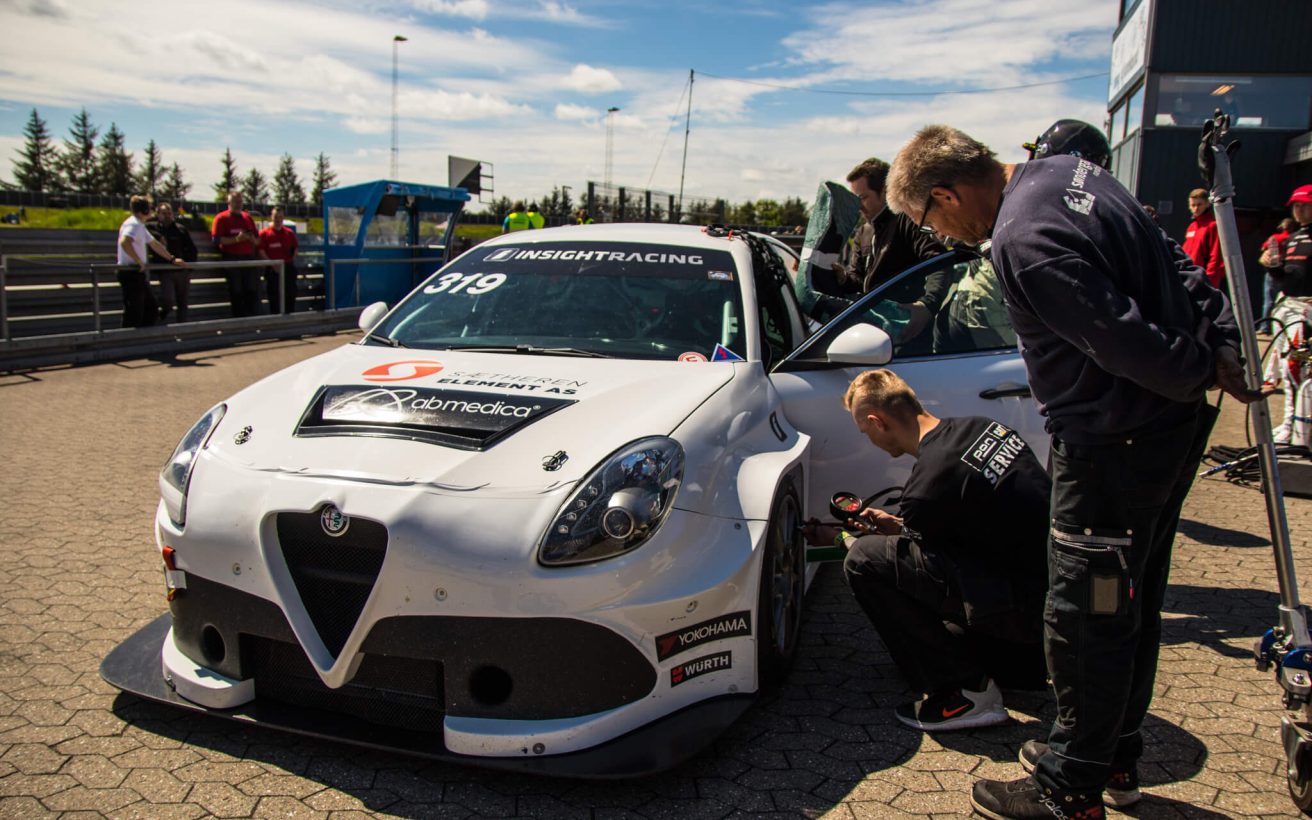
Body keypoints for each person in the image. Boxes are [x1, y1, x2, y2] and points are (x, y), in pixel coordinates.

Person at [886, 125, 1262, 819]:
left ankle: (1069, 784)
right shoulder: (1071, 174)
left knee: (1086, 612)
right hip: (1163, 435)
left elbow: (1119, 338)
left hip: (1111, 449)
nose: (938, 235)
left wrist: (1200, 363)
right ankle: (1110, 752)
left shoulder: (1021, 241)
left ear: (945, 192)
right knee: (1130, 597)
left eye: (927, 218)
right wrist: (1222, 340)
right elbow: (1176, 262)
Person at [802, 370, 1050, 732]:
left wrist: (840, 540)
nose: (867, 438)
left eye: (864, 431)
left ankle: (967, 693)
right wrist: (901, 527)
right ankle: (1008, 662)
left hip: (1021, 613)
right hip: (1050, 604)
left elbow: (914, 561)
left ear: (877, 421)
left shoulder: (927, 484)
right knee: (898, 555)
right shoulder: (982, 428)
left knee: (864, 561)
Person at [835, 158, 947, 346]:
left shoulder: (907, 221)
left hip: (907, 331)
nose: (858, 206)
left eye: (863, 198)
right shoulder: (863, 232)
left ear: (884, 192)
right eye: (855, 200)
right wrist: (840, 277)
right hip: (874, 332)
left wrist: (927, 305)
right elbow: (857, 280)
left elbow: (938, 261)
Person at [1264, 188, 1312, 443]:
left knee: (1298, 369)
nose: (1298, 210)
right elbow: (1285, 275)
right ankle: (1289, 423)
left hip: (1306, 312)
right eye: (1295, 205)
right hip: (1287, 307)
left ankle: (1300, 429)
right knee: (1286, 367)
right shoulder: (1292, 238)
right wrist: (1272, 266)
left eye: (1304, 205)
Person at [146, 202, 198, 323]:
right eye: (164, 213)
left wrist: (188, 267)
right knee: (167, 300)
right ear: (158, 214)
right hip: (165, 271)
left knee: (183, 302)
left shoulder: (180, 229)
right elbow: (146, 230)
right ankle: (161, 316)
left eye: (169, 213)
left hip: (181, 270)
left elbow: (192, 249)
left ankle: (182, 327)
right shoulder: (152, 228)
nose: (167, 216)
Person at [212, 191, 261, 317]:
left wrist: (250, 239)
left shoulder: (247, 217)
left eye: (240, 202)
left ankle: (251, 318)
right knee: (236, 291)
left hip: (248, 258)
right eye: (235, 202)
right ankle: (239, 319)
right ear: (229, 203)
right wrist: (236, 239)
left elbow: (257, 239)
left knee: (251, 289)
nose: (238, 204)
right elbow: (216, 240)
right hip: (232, 259)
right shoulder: (221, 218)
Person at [1258, 217, 1297, 333]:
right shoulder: (1294, 238)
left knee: (1269, 300)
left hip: (1272, 271)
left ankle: (1265, 327)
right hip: (1287, 270)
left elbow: (1263, 249)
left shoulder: (1274, 238)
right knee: (1286, 301)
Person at [258, 205, 299, 314]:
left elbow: (295, 249)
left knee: (290, 294)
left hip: (287, 268)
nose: (278, 220)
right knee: (274, 297)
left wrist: (290, 261)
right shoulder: (264, 234)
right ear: (272, 217)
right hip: (273, 269)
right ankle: (276, 318)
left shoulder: (289, 233)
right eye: (276, 217)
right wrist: (273, 265)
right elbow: (261, 251)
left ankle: (289, 318)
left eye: (280, 217)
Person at [1182, 187, 1226, 288]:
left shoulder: (1212, 226)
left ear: (1207, 204)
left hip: (1203, 278)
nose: (1196, 208)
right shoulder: (1192, 226)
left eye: (1199, 204)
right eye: (1193, 205)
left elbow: (1215, 256)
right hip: (1190, 275)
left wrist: (1210, 282)